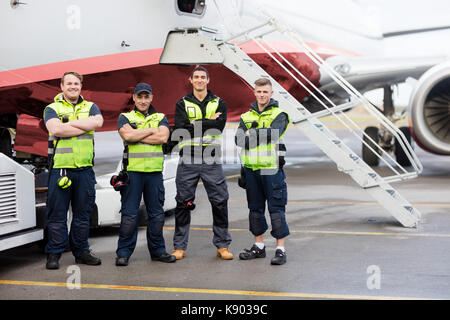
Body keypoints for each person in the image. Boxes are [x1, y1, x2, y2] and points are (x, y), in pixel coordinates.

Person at [171, 66, 233, 260]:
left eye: (202, 77)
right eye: (196, 77)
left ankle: (222, 245)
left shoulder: (219, 103)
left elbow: (218, 129)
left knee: (220, 202)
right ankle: (179, 246)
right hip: (188, 159)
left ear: (208, 80)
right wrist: (208, 121)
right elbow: (181, 129)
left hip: (211, 160)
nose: (199, 80)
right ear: (190, 80)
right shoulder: (182, 103)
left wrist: (194, 124)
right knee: (183, 202)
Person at [44, 71, 103, 270]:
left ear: (81, 86)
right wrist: (85, 126)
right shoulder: (51, 108)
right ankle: (54, 253)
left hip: (85, 170)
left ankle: (82, 252)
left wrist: (68, 125)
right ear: (61, 86)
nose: (73, 87)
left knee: (83, 215)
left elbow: (98, 122)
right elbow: (57, 130)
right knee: (57, 215)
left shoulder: (91, 106)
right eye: (69, 83)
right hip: (61, 169)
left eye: (76, 83)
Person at [115, 83, 176, 266]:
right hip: (133, 173)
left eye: (146, 97)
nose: (143, 101)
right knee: (129, 216)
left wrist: (137, 133)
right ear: (134, 98)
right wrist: (150, 130)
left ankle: (158, 251)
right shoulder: (125, 116)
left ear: (151, 98)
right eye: (139, 97)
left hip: (154, 174)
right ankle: (123, 253)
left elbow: (163, 138)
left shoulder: (160, 117)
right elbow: (128, 137)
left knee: (157, 215)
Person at [235, 78, 290, 265]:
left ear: (271, 93)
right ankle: (258, 247)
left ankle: (281, 250)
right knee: (255, 209)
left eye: (265, 92)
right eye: (259, 91)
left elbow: (273, 133)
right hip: (251, 169)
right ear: (254, 92)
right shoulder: (246, 117)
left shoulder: (279, 114)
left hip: (271, 169)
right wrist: (260, 134)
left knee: (276, 209)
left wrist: (252, 134)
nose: (262, 95)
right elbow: (239, 140)